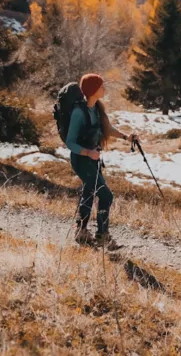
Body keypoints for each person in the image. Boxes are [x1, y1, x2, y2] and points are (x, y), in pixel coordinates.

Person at [65, 72, 139, 249]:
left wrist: (125, 137)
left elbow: (107, 128)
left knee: (89, 192)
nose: (104, 88)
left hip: (93, 159)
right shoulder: (78, 113)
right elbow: (70, 142)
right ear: (92, 90)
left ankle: (81, 231)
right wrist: (88, 152)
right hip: (81, 160)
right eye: (101, 86)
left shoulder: (96, 108)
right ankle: (102, 235)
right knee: (105, 194)